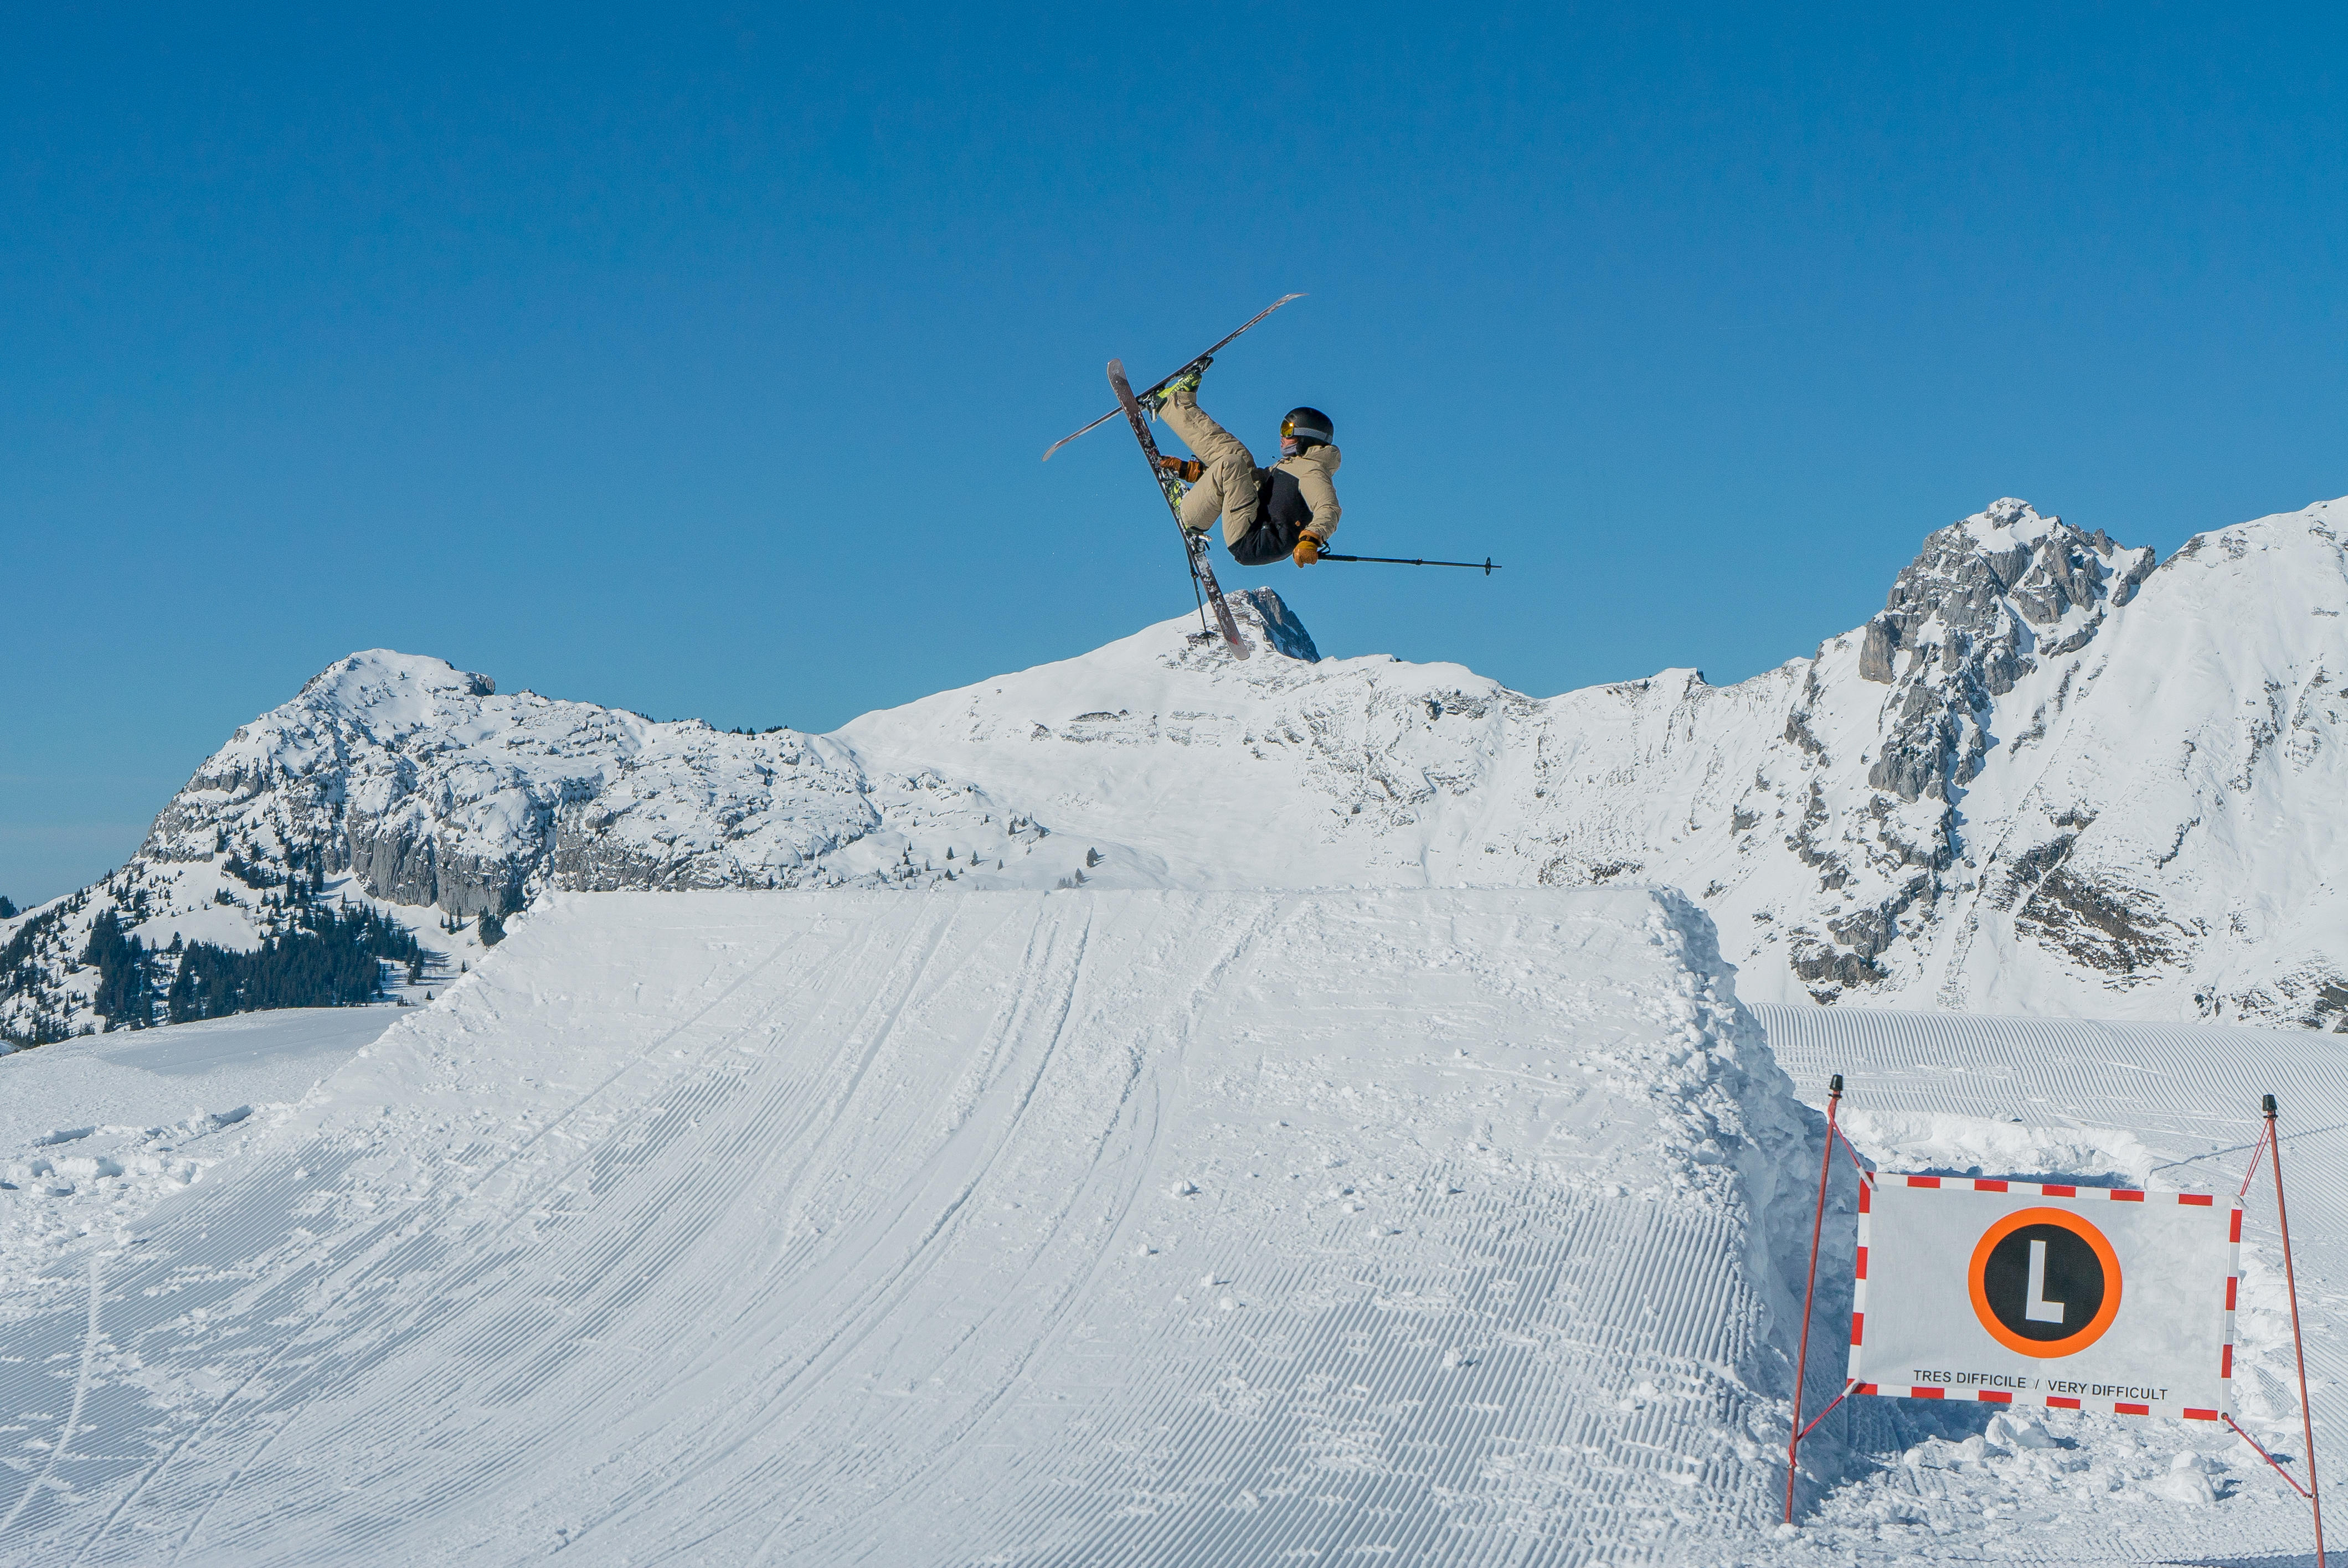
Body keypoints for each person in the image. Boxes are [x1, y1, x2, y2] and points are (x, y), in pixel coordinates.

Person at [1150, 362, 1340, 566]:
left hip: (1256, 540)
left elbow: (1329, 508)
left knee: (1232, 464)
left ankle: (1189, 514)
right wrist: (1195, 472)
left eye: (1288, 430)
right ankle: (1173, 403)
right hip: (1255, 519)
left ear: (1306, 438)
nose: (1282, 437)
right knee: (1239, 458)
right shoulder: (1291, 466)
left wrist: (1311, 538)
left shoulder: (1313, 472)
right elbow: (1246, 483)